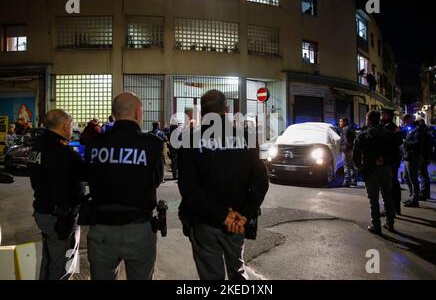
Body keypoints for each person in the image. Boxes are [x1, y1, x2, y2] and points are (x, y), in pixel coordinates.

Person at [178, 90, 269, 280]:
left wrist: (222, 215)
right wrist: (244, 214)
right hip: (237, 221)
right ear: (226, 110)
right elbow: (260, 181)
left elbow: (189, 189)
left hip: (205, 223)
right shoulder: (247, 137)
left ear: (202, 113)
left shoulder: (191, 140)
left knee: (211, 276)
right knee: (238, 270)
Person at [84, 92, 164, 280]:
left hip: (101, 229)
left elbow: (89, 175)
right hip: (138, 228)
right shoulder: (152, 144)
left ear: (114, 113)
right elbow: (157, 178)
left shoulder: (94, 143)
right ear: (138, 113)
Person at [28, 109, 86, 280]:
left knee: (50, 259)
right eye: (71, 125)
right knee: (62, 264)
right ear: (66, 125)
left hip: (44, 211)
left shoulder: (37, 146)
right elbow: (87, 172)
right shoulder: (62, 152)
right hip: (60, 217)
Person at [353, 111, 397, 235]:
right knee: (387, 197)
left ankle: (376, 225)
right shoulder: (388, 134)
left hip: (370, 170)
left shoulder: (363, 135)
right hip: (386, 169)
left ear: (369, 120)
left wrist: (361, 168)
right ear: (379, 119)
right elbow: (396, 153)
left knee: (373, 199)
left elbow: (356, 155)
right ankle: (390, 222)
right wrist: (386, 161)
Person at [402, 115, 430, 207]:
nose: (404, 123)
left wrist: (406, 143)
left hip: (413, 157)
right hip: (407, 156)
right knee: (406, 177)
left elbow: (417, 143)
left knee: (414, 178)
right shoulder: (410, 129)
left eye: (405, 121)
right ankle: (412, 195)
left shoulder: (417, 129)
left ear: (410, 120)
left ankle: (415, 199)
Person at [381, 108, 403, 215]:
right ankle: (396, 208)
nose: (381, 117)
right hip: (394, 159)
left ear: (388, 116)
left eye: (383, 115)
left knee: (389, 185)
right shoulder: (395, 128)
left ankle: (390, 209)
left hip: (389, 160)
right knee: (394, 183)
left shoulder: (387, 128)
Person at [417, 118, 432, 201]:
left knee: (423, 174)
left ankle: (424, 193)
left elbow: (425, 146)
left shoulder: (423, 133)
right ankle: (425, 193)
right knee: (423, 174)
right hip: (425, 156)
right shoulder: (426, 131)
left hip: (424, 156)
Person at [339, 118, 357, 187]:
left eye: (341, 121)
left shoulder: (345, 129)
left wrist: (345, 147)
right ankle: (353, 181)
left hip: (346, 150)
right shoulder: (350, 128)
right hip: (351, 149)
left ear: (345, 122)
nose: (340, 123)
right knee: (352, 165)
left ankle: (346, 182)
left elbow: (346, 140)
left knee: (346, 165)